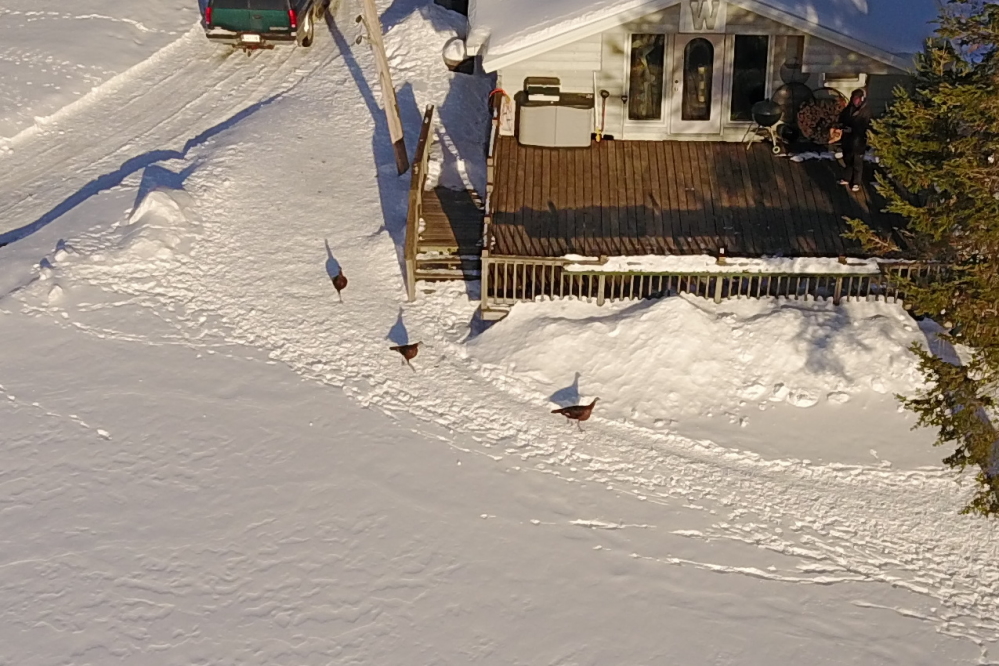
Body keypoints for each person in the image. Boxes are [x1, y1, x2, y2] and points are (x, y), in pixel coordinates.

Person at [837, 88, 872, 192]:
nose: (855, 101)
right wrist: (842, 126)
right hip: (847, 140)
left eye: (857, 98)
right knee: (847, 159)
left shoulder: (866, 111)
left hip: (859, 141)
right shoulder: (849, 109)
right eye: (854, 98)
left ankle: (856, 182)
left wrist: (853, 129)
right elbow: (842, 118)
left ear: (861, 99)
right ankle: (847, 178)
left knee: (857, 162)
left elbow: (866, 126)